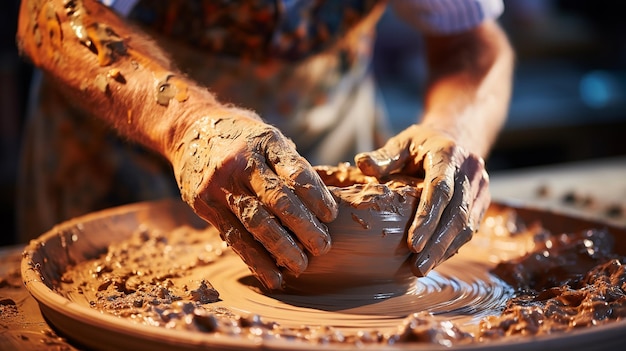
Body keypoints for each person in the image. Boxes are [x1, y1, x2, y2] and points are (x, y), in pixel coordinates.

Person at [16, 0, 514, 290]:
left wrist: (457, 130)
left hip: (335, 134)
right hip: (126, 143)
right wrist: (189, 124)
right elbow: (49, 14)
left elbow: (470, 41)